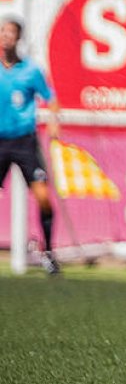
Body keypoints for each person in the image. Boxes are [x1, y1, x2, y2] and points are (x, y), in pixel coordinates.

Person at [0, 17, 61, 275]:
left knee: (44, 198)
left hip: (25, 141)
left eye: (11, 32)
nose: (6, 36)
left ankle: (47, 252)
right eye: (2, 31)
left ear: (18, 38)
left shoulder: (31, 71)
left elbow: (51, 98)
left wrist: (54, 122)